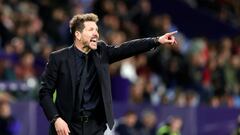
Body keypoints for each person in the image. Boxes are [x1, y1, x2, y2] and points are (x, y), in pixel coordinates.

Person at [39, 13, 177, 135]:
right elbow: (45, 92)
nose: (96, 33)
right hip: (66, 127)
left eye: (97, 30)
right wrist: (56, 119)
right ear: (78, 34)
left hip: (94, 128)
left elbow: (127, 48)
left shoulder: (101, 52)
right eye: (91, 29)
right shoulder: (58, 58)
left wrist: (156, 40)